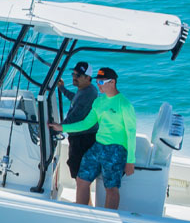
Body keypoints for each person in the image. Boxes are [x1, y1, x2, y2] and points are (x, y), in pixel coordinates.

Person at [48, 67, 136, 210]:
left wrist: (130, 161)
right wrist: (62, 128)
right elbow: (86, 124)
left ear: (112, 82)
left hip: (116, 150)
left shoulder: (124, 105)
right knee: (82, 179)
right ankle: (82, 211)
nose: (98, 85)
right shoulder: (99, 102)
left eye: (101, 82)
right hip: (98, 146)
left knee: (111, 188)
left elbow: (131, 133)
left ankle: (107, 218)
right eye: (97, 81)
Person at [58, 61, 99, 180]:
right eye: (74, 74)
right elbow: (75, 99)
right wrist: (62, 89)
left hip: (83, 140)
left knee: (80, 176)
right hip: (81, 137)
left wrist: (56, 128)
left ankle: (82, 194)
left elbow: (75, 116)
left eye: (78, 75)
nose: (74, 77)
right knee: (80, 175)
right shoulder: (85, 89)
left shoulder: (88, 93)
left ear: (88, 78)